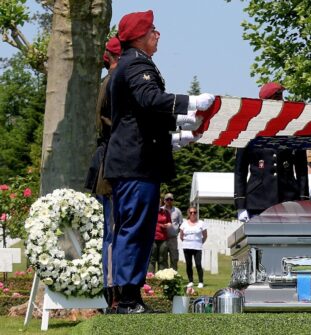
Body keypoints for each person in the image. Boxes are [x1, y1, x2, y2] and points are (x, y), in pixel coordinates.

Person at [104, 10, 214, 313]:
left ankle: (130, 296)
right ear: (139, 35)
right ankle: (126, 298)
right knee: (135, 231)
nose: (157, 33)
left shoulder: (130, 63)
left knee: (137, 229)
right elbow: (150, 100)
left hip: (137, 162)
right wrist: (190, 102)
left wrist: (178, 131)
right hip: (135, 165)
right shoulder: (137, 63)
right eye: (152, 29)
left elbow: (143, 117)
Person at [234, 82, 309, 222]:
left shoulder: (293, 128)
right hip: (258, 199)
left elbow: (301, 168)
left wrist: (304, 199)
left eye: (281, 97)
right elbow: (240, 170)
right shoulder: (250, 130)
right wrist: (240, 204)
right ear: (267, 102)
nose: (282, 101)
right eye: (278, 98)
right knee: (261, 242)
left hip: (288, 197)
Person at [83, 36, 121, 310]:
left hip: (110, 160)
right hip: (111, 165)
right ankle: (110, 293)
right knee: (112, 232)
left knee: (114, 231)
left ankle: (113, 292)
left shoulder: (111, 81)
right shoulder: (113, 83)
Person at [180, 207, 208, 288]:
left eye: (195, 212)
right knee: (188, 264)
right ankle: (191, 281)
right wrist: (187, 242)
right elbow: (181, 236)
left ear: (197, 213)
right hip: (187, 247)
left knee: (198, 264)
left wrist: (199, 242)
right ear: (188, 213)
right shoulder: (184, 224)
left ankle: (201, 282)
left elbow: (205, 235)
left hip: (197, 247)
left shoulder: (201, 223)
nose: (193, 214)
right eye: (191, 212)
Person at [161, 192, 182, 271]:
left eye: (171, 199)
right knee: (163, 258)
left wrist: (176, 232)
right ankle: (165, 277)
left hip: (173, 238)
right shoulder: (160, 210)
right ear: (164, 200)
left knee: (174, 258)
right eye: (167, 199)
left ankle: (174, 276)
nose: (169, 201)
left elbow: (181, 224)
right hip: (163, 238)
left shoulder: (177, 211)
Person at [148, 200, 171, 273]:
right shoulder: (149, 211)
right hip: (152, 238)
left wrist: (167, 225)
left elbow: (170, 223)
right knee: (152, 259)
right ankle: (151, 278)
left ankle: (161, 278)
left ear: (161, 203)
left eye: (159, 202)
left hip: (163, 238)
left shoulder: (165, 212)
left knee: (162, 259)